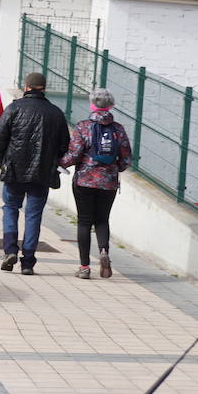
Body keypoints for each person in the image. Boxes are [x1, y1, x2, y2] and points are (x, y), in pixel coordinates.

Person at [0, 72, 70, 275]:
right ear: (44, 88)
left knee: (10, 208)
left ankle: (9, 250)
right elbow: (64, 145)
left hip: (15, 172)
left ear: (26, 87)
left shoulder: (14, 108)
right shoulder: (56, 113)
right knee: (33, 215)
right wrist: (52, 162)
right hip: (42, 173)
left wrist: (4, 165)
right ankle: (28, 261)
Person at [60, 88, 131, 280]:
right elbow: (126, 159)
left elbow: (74, 155)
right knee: (102, 220)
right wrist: (115, 170)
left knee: (84, 221)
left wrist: (59, 164)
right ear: (111, 105)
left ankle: (84, 267)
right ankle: (104, 251)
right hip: (108, 183)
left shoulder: (83, 127)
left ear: (92, 104)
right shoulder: (118, 129)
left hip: (84, 180)